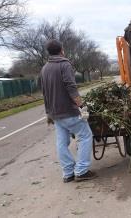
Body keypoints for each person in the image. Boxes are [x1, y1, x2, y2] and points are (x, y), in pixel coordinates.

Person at [40, 39, 96, 183]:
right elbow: (71, 86)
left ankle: (68, 173)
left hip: (55, 113)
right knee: (85, 135)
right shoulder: (64, 64)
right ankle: (81, 171)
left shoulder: (45, 68)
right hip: (68, 110)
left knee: (62, 141)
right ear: (61, 50)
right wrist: (81, 104)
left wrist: (48, 113)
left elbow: (44, 92)